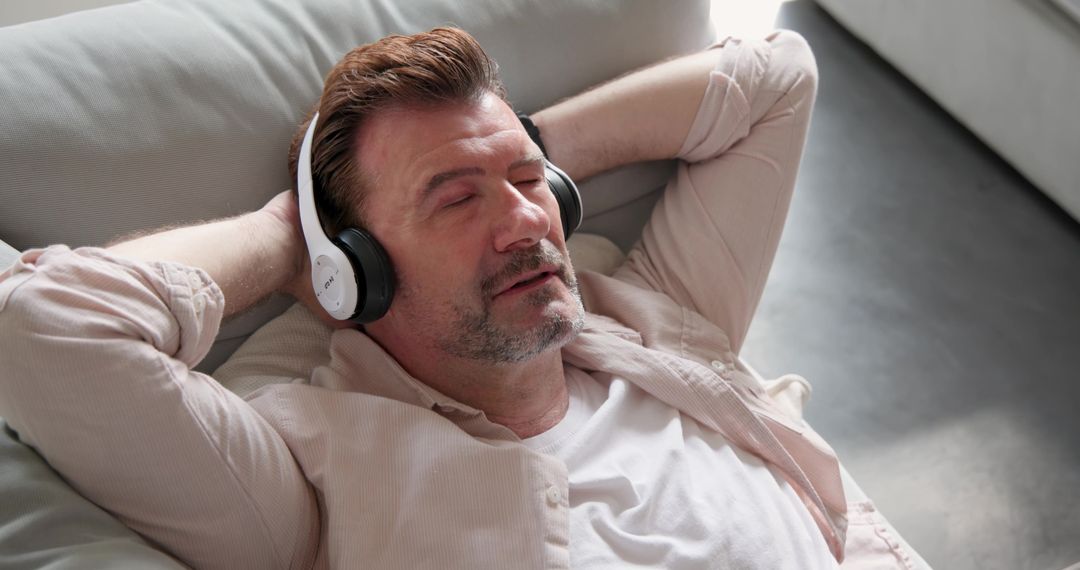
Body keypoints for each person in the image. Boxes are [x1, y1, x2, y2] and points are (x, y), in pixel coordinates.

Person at [0, 26, 913, 569]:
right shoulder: (313, 479)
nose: (526, 222)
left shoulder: (657, 319)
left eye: (531, 183)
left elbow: (777, 76)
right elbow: (43, 328)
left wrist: (524, 149)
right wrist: (288, 235)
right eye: (455, 201)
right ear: (355, 269)